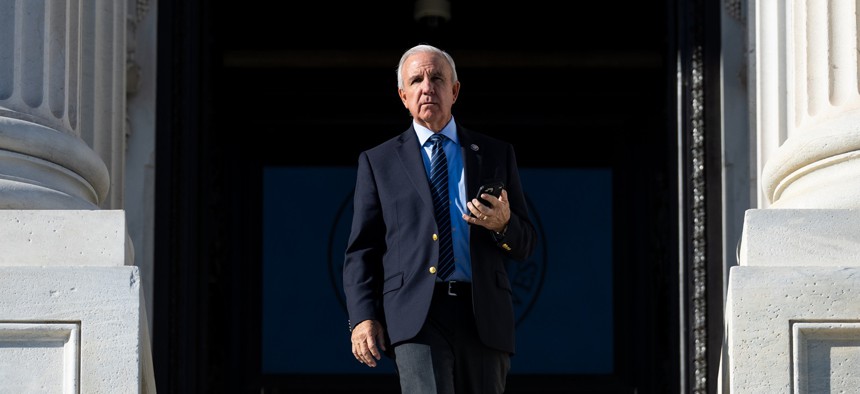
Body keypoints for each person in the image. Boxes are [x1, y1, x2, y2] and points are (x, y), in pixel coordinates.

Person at [343, 43, 537, 394]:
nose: (427, 87)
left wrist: (503, 226)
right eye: (416, 80)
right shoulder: (379, 161)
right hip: (417, 317)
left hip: (483, 316)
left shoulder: (494, 154)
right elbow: (362, 250)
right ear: (403, 96)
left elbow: (525, 243)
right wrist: (362, 318)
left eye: (436, 78)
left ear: (455, 90)